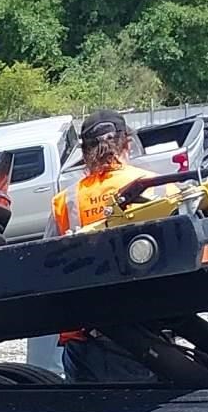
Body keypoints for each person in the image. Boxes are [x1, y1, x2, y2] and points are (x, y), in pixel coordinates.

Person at [53, 108, 167, 382]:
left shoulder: (66, 201)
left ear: (84, 153)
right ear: (127, 143)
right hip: (145, 330)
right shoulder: (157, 187)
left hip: (85, 338)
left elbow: (51, 266)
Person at [50, 109, 158, 234]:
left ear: (84, 156)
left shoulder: (63, 202)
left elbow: (48, 251)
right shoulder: (157, 185)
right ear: (128, 145)